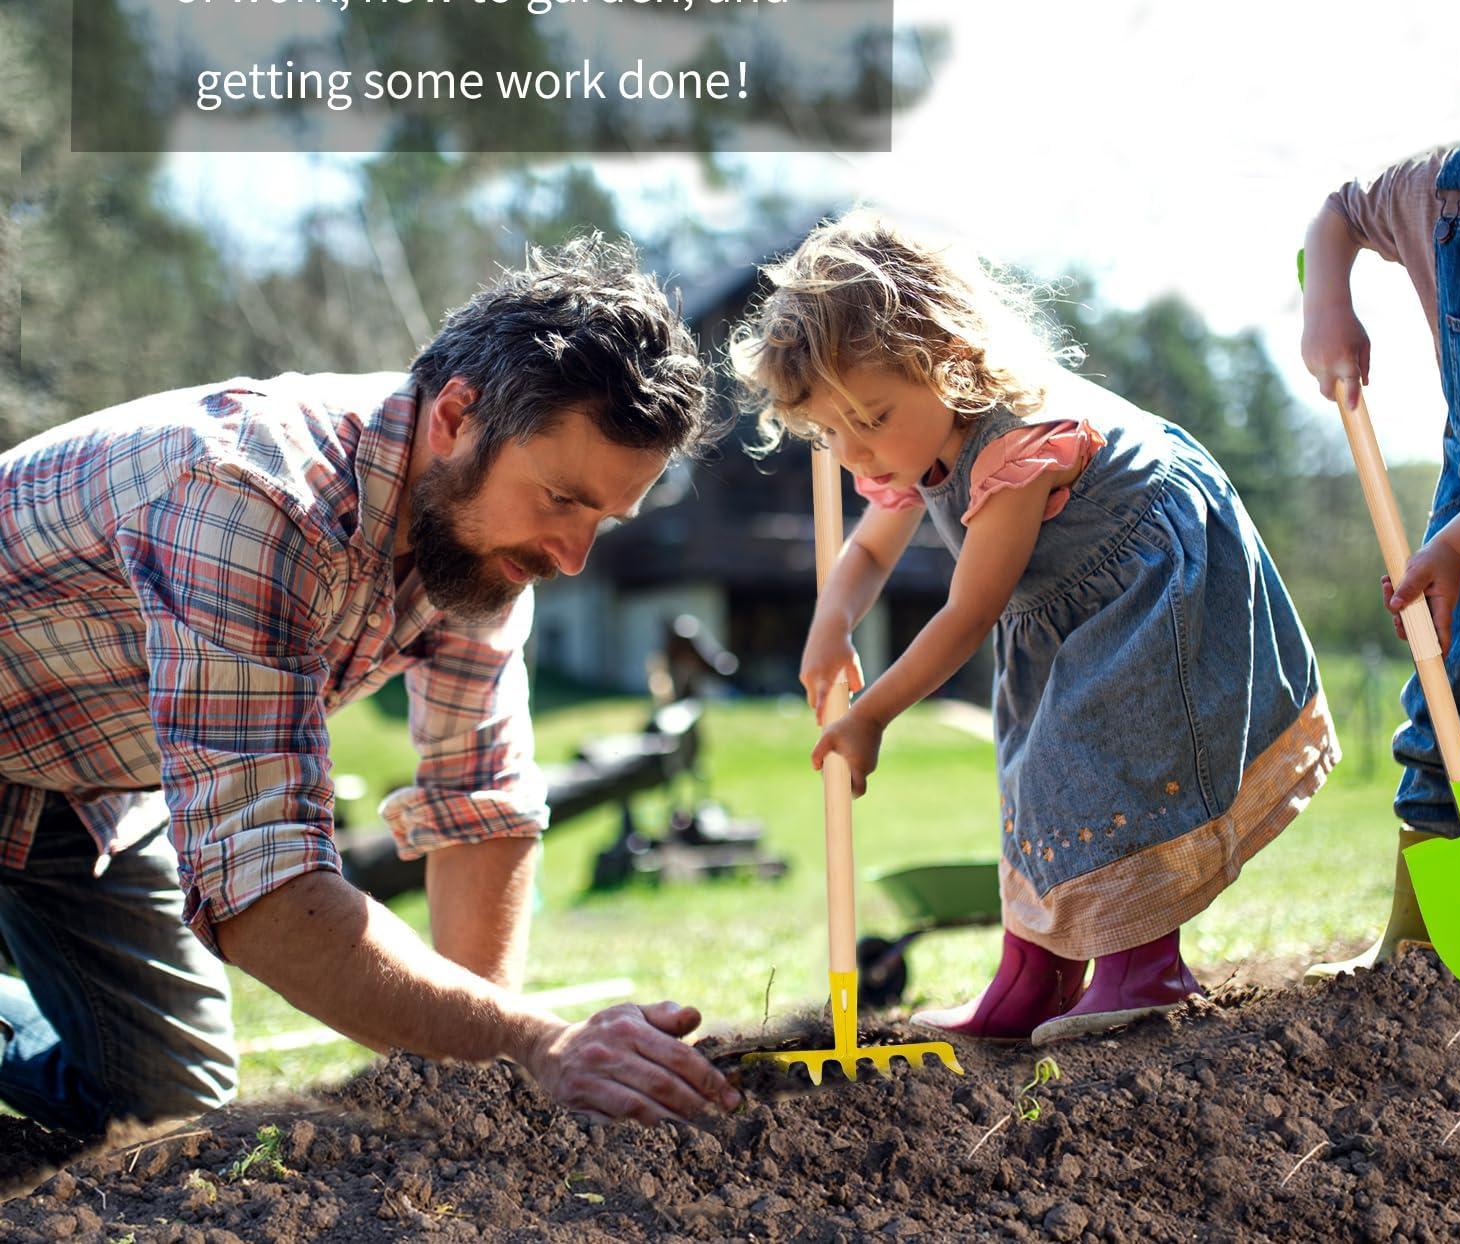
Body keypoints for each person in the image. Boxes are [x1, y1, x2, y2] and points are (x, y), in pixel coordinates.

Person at [0, 237, 741, 1134]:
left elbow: (479, 807)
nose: (573, 558)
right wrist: (537, 1046)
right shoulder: (249, 491)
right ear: (456, 417)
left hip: (74, 789)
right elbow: (265, 896)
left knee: (167, 1109)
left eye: (603, 519)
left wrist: (486, 1089)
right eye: (560, 498)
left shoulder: (476, 551)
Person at [730, 211, 1337, 1043]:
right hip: (1063, 601)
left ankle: (1142, 967)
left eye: (871, 418)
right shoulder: (909, 444)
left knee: (1111, 751)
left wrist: (872, 715)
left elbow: (969, 612)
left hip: (1148, 575)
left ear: (945, 361)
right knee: (1036, 771)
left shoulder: (1017, 441)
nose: (856, 451)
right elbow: (868, 555)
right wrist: (829, 625)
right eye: (831, 432)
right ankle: (1033, 978)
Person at [1301, 136, 1460, 977]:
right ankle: (1416, 952)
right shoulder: (1445, 194)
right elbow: (1338, 214)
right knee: (1448, 708)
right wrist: (1327, 304)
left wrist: (1453, 545)